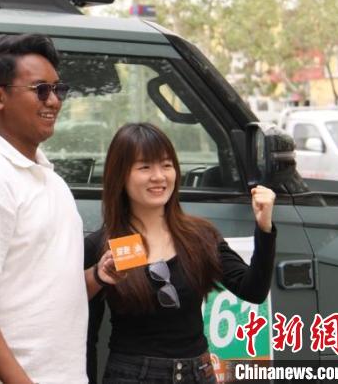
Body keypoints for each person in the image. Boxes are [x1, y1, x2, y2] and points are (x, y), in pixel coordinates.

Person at [0, 34, 114, 384]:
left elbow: (45, 296)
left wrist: (97, 276)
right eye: (41, 90)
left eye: (58, 89)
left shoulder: (50, 180)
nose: (54, 101)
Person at [85, 123, 277, 384]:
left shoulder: (199, 235)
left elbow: (253, 290)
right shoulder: (102, 245)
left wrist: (264, 228)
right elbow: (87, 335)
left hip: (198, 373)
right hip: (131, 375)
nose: (159, 176)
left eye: (166, 165)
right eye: (145, 167)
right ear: (120, 175)